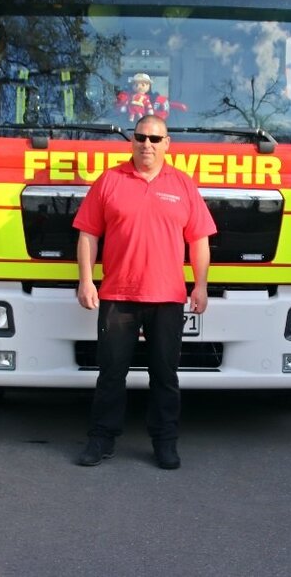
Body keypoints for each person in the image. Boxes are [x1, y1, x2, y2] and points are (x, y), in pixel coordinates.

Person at [73, 115, 216, 469]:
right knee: (110, 374)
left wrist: (200, 285)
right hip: (118, 295)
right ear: (132, 141)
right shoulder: (109, 181)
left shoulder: (183, 185)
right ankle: (101, 439)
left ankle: (165, 443)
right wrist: (86, 279)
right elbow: (88, 234)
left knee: (165, 376)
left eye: (155, 138)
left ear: (167, 144)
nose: (147, 144)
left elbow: (198, 240)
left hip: (167, 297)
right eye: (141, 137)